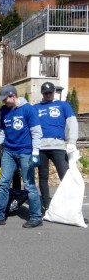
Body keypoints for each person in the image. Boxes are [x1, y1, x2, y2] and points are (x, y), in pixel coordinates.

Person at [0, 84, 43, 228]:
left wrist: (35, 153)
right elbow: (3, 133)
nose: (3, 102)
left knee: (29, 185)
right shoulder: (4, 110)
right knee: (4, 183)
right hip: (9, 151)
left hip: (25, 152)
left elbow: (36, 132)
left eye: (5, 99)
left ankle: (36, 217)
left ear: (13, 96)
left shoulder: (28, 109)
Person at [34, 81, 78, 211]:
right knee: (43, 176)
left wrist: (72, 141)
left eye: (50, 92)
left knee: (65, 175)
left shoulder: (63, 105)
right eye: (45, 92)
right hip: (41, 147)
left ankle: (69, 205)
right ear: (42, 93)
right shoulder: (35, 108)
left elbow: (72, 123)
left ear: (54, 92)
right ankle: (46, 204)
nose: (48, 94)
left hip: (58, 146)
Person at [0, 106, 21, 192]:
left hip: (11, 147)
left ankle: (16, 195)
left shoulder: (18, 109)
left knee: (15, 173)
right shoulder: (0, 109)